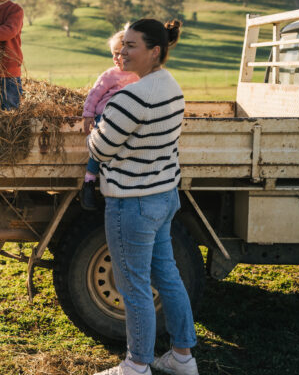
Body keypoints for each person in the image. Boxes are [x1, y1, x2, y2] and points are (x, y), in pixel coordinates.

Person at [90, 19, 198, 375]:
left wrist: (94, 130)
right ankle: (182, 357)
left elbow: (101, 148)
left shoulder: (130, 97)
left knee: (132, 285)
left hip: (132, 202)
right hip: (164, 194)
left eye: (132, 45)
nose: (123, 51)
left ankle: (136, 365)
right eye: (124, 45)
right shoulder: (170, 85)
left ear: (155, 52)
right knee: (167, 276)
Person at [80, 28, 139, 209]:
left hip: (129, 120)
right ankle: (89, 180)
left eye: (119, 54)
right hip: (105, 118)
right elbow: (94, 95)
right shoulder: (110, 75)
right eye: (113, 54)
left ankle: (122, 183)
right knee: (99, 147)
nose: (115, 58)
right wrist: (88, 115)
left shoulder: (138, 75)